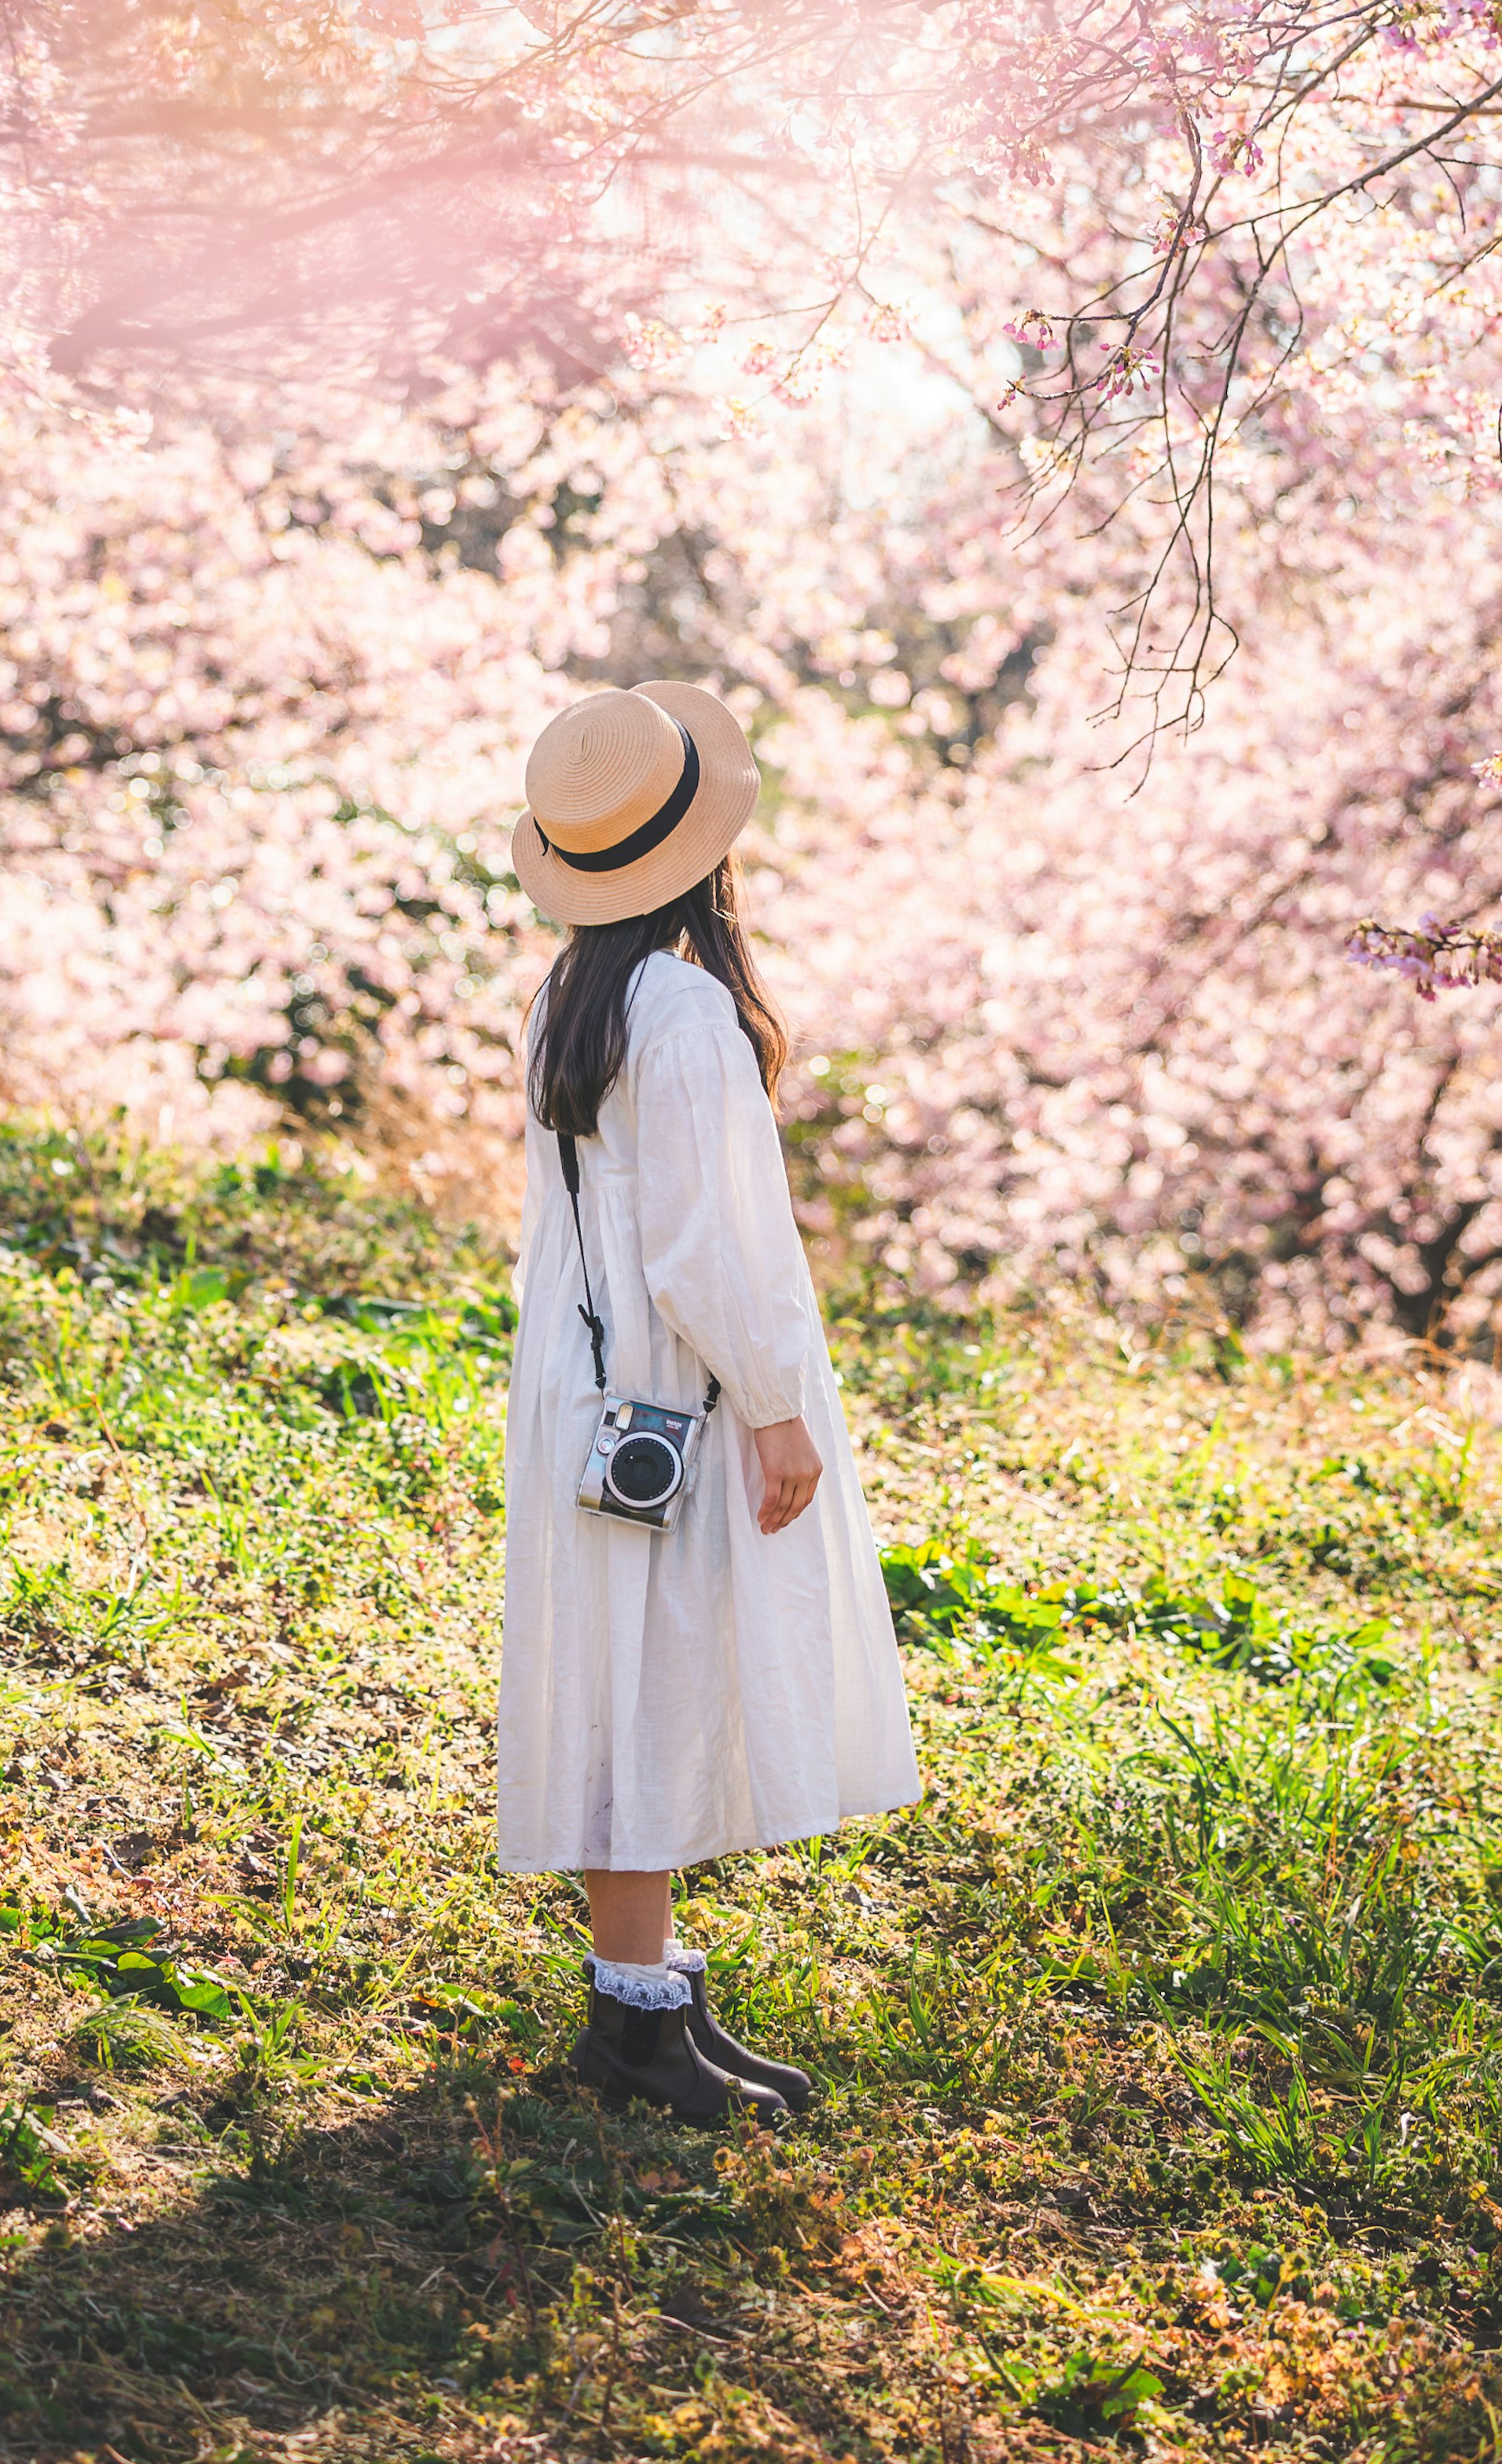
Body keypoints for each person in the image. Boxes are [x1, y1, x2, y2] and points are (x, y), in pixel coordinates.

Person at [496, 678, 920, 2124]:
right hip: (672, 1392)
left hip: (589, 1383)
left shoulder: (576, 991)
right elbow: (712, 1243)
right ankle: (631, 2021)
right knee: (660, 1674)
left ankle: (646, 1990)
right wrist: (777, 1402)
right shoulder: (682, 1014)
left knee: (633, 1674)